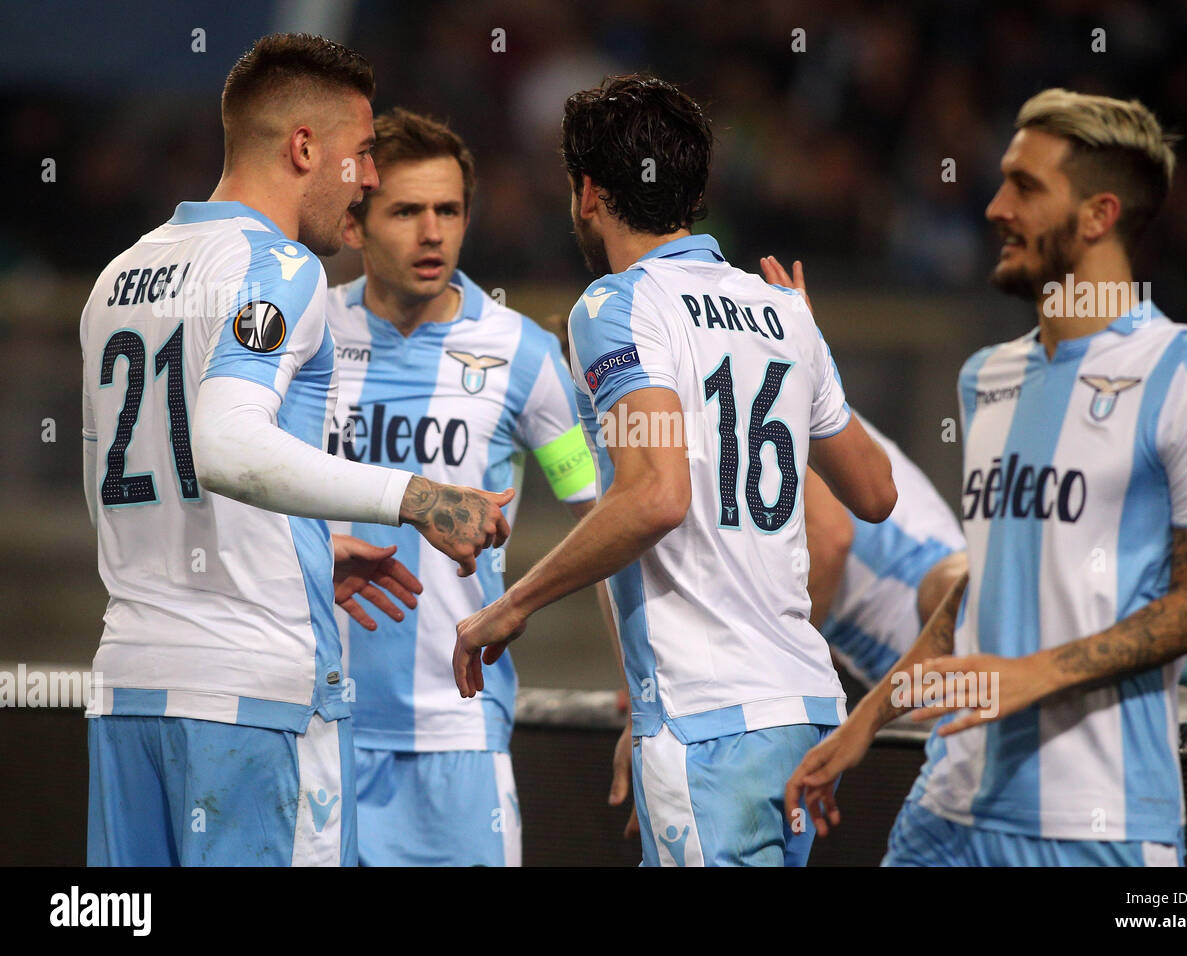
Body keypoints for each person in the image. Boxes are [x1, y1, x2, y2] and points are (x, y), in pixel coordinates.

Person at [786, 89, 1187, 866]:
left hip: (1094, 824)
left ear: (1100, 215)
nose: (997, 207)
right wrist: (864, 724)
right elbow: (980, 592)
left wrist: (1034, 675)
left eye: (1026, 187)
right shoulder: (985, 379)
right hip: (950, 809)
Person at [80, 34, 511, 867]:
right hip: (252, 700)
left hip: (129, 688)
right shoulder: (280, 267)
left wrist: (302, 542)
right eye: (360, 157)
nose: (373, 178)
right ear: (304, 148)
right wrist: (418, 496)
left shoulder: (119, 274)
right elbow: (228, 444)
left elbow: (126, 478)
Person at [453, 73, 896, 867]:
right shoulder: (783, 312)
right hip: (804, 706)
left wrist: (510, 605)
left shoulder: (614, 305)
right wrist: (808, 346)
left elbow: (654, 498)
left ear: (588, 192)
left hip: (707, 721)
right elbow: (875, 493)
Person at [325, 107, 606, 865]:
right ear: (356, 222)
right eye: (406, 211)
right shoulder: (306, 338)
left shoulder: (524, 354)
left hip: (456, 737)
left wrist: (649, 696)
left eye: (448, 210)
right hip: (315, 725)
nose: (432, 233)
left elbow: (605, 519)